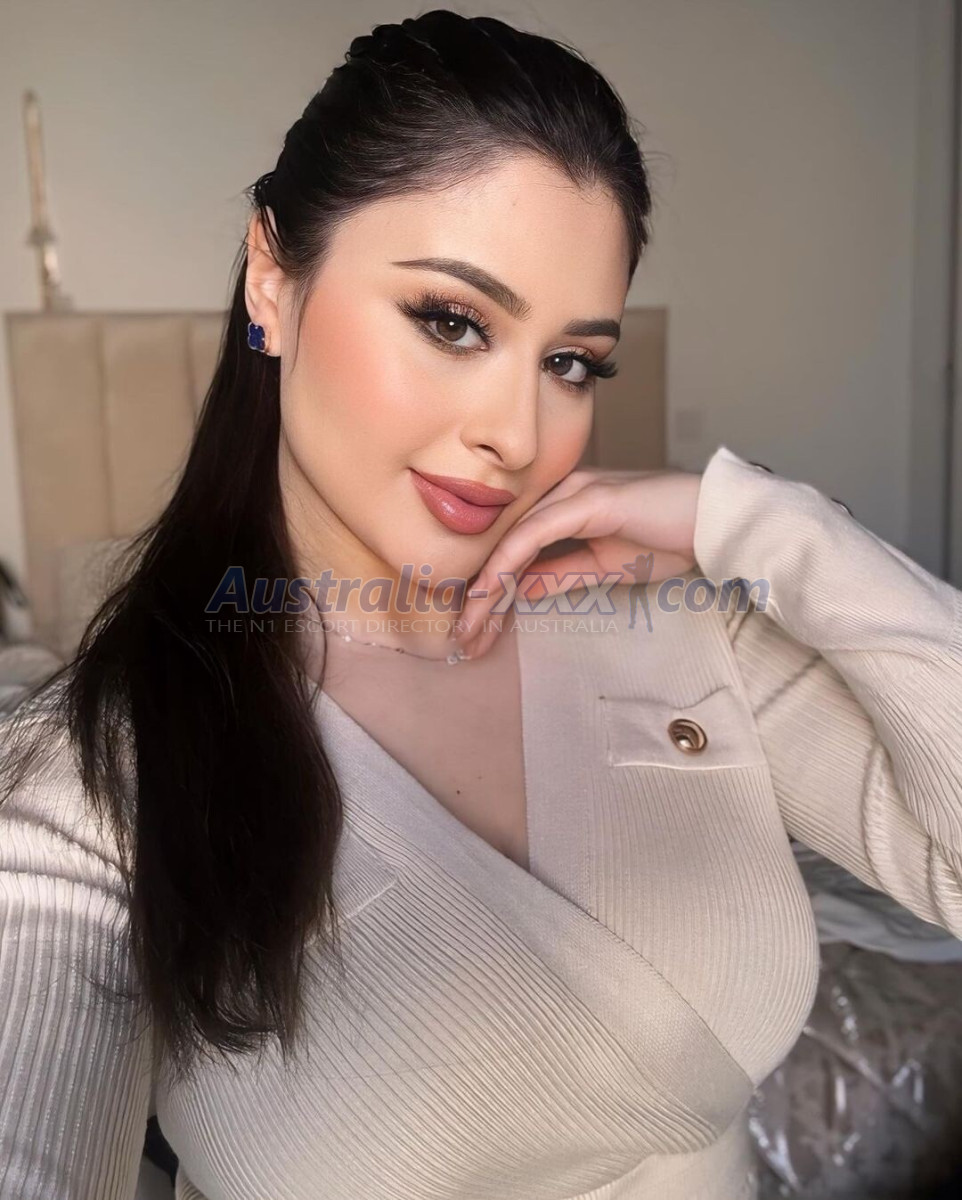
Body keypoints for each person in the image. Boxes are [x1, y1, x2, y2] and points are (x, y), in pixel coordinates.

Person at [1, 9, 961, 1200]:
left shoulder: (677, 625)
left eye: (570, 363)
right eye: (451, 322)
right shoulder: (92, 779)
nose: (516, 434)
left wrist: (765, 522)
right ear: (272, 278)